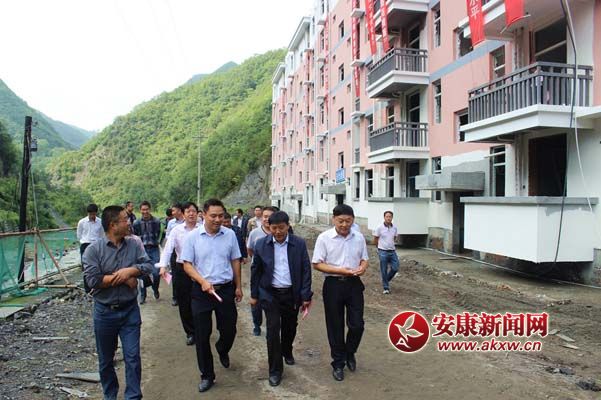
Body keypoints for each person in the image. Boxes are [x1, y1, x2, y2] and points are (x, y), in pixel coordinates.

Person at [83, 205, 153, 400]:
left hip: (130, 310)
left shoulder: (133, 244)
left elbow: (148, 266)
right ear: (113, 225)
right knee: (106, 360)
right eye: (125, 220)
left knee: (132, 357)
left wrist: (131, 271)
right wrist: (123, 277)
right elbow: (93, 280)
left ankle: (133, 396)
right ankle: (110, 395)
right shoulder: (93, 250)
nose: (129, 223)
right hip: (104, 312)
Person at [181, 198, 242, 393]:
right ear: (204, 215)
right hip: (201, 292)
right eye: (213, 216)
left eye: (221, 216)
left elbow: (235, 260)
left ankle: (222, 348)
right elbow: (187, 265)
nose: (217, 219)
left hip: (225, 289)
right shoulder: (193, 237)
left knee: (229, 328)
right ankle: (207, 375)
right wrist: (202, 282)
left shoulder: (230, 235)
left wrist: (238, 286)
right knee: (202, 334)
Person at [250, 211, 312, 387]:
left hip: (291, 294)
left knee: (290, 327)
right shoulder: (261, 244)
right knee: (272, 331)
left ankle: (287, 350)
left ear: (288, 226)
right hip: (270, 294)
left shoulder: (298, 244)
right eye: (274, 228)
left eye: (281, 228)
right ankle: (275, 370)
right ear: (269, 227)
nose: (278, 232)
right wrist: (254, 295)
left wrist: (305, 295)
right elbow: (256, 271)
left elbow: (306, 270)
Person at [312, 204, 368, 382]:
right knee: (335, 325)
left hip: (354, 284)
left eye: (348, 221)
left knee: (357, 324)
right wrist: (340, 270)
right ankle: (338, 363)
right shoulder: (324, 238)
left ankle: (349, 352)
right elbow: (317, 263)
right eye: (341, 221)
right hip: (333, 285)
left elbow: (364, 259)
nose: (344, 225)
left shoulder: (358, 237)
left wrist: (362, 268)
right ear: (333, 219)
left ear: (353, 220)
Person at [157, 202, 201, 346]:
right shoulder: (177, 230)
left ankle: (201, 329)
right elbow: (168, 249)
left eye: (194, 211)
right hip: (182, 269)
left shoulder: (202, 229)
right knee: (184, 301)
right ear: (183, 214)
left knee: (200, 300)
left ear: (198, 213)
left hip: (200, 269)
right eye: (188, 211)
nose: (191, 214)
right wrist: (163, 266)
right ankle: (190, 332)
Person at [246, 206, 276, 336]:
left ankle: (272, 327)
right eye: (265, 216)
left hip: (274, 273)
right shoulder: (255, 233)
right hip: (258, 271)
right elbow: (250, 249)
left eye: (270, 216)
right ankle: (257, 324)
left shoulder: (280, 232)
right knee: (256, 300)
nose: (267, 219)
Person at [132, 201, 161, 304]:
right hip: (142, 249)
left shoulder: (156, 221)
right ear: (140, 210)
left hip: (154, 249)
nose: (145, 211)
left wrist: (157, 242)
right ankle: (143, 295)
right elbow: (134, 236)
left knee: (156, 273)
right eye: (143, 210)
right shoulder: (136, 223)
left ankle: (155, 288)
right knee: (142, 273)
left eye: (147, 209)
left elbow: (159, 233)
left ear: (150, 209)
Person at [77, 203, 104, 292]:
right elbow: (79, 235)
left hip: (96, 245)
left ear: (96, 213)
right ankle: (87, 289)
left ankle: (97, 286)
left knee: (98, 265)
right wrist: (84, 242)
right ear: (87, 213)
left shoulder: (100, 222)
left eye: (93, 214)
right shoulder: (82, 222)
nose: (92, 216)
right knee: (86, 267)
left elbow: (101, 234)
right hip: (85, 245)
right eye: (90, 214)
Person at [373, 211, 399, 295]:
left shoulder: (394, 228)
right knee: (384, 269)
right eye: (387, 216)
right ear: (384, 217)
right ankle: (386, 287)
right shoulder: (379, 227)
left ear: (392, 218)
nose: (388, 218)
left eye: (390, 216)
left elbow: (394, 237)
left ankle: (386, 280)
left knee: (395, 268)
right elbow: (376, 238)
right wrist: (378, 248)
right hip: (383, 251)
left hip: (392, 251)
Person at [166, 203, 184, 306]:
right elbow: (167, 235)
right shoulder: (171, 223)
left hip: (185, 252)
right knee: (175, 275)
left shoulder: (187, 221)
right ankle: (175, 297)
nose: (172, 213)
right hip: (174, 252)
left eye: (174, 210)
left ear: (179, 211)